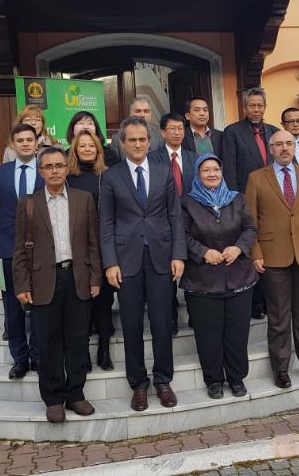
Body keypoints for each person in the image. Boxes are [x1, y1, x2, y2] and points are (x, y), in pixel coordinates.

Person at [99, 115, 186, 411]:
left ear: (150, 142)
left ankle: (163, 380)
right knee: (132, 324)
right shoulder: (111, 176)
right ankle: (138, 384)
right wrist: (110, 263)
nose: (137, 144)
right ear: (122, 143)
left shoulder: (164, 172)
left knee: (162, 323)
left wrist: (178, 255)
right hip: (126, 261)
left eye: (142, 139)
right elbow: (106, 222)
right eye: (132, 140)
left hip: (161, 257)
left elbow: (175, 216)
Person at [13, 147, 102, 423]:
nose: (55, 171)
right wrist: (21, 284)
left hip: (77, 277)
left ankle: (75, 394)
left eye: (59, 165)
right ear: (41, 172)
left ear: (67, 168)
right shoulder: (29, 203)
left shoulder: (83, 199)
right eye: (49, 166)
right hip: (43, 281)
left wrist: (96, 277)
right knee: (48, 342)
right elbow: (19, 248)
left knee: (78, 339)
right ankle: (53, 399)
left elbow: (93, 243)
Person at [245, 130, 299, 389]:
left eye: (288, 144)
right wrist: (255, 253)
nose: (284, 148)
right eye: (278, 144)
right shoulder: (256, 178)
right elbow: (250, 221)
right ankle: (281, 368)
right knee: (278, 316)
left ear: (295, 147)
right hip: (273, 257)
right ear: (270, 149)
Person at [180, 153, 258, 399]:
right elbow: (181, 235)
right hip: (202, 281)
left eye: (216, 169)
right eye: (206, 170)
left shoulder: (237, 198)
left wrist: (239, 248)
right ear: (197, 174)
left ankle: (236, 378)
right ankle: (213, 380)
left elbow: (250, 228)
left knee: (237, 333)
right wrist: (203, 252)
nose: (212, 174)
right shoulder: (187, 202)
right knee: (208, 334)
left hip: (239, 277)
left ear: (222, 172)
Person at [0, 123, 41, 379]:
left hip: (42, 248)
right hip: (8, 248)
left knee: (40, 304)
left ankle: (37, 356)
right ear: (13, 144)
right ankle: (19, 359)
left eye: (29, 139)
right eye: (20, 140)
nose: (25, 144)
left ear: (36, 143)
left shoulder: (47, 169)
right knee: (12, 305)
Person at [221, 87, 279, 319]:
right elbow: (230, 171)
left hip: (274, 203)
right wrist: (236, 204)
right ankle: (256, 304)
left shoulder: (275, 132)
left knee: (271, 251)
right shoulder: (232, 132)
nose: (256, 109)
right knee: (250, 251)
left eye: (260, 105)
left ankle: (271, 301)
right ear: (245, 108)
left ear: (265, 107)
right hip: (246, 201)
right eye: (252, 105)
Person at [66, 130, 116, 371]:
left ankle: (104, 349)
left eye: (91, 145)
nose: (87, 149)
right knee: (81, 301)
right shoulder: (68, 178)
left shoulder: (107, 175)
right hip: (77, 246)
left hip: (103, 244)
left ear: (98, 149)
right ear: (74, 151)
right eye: (82, 146)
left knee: (104, 301)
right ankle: (83, 351)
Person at [149, 112, 198, 336]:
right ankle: (171, 317)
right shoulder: (153, 158)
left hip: (191, 222)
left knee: (193, 269)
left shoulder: (193, 158)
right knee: (167, 273)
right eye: (172, 129)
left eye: (181, 129)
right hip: (163, 223)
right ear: (162, 132)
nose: (178, 133)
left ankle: (195, 315)